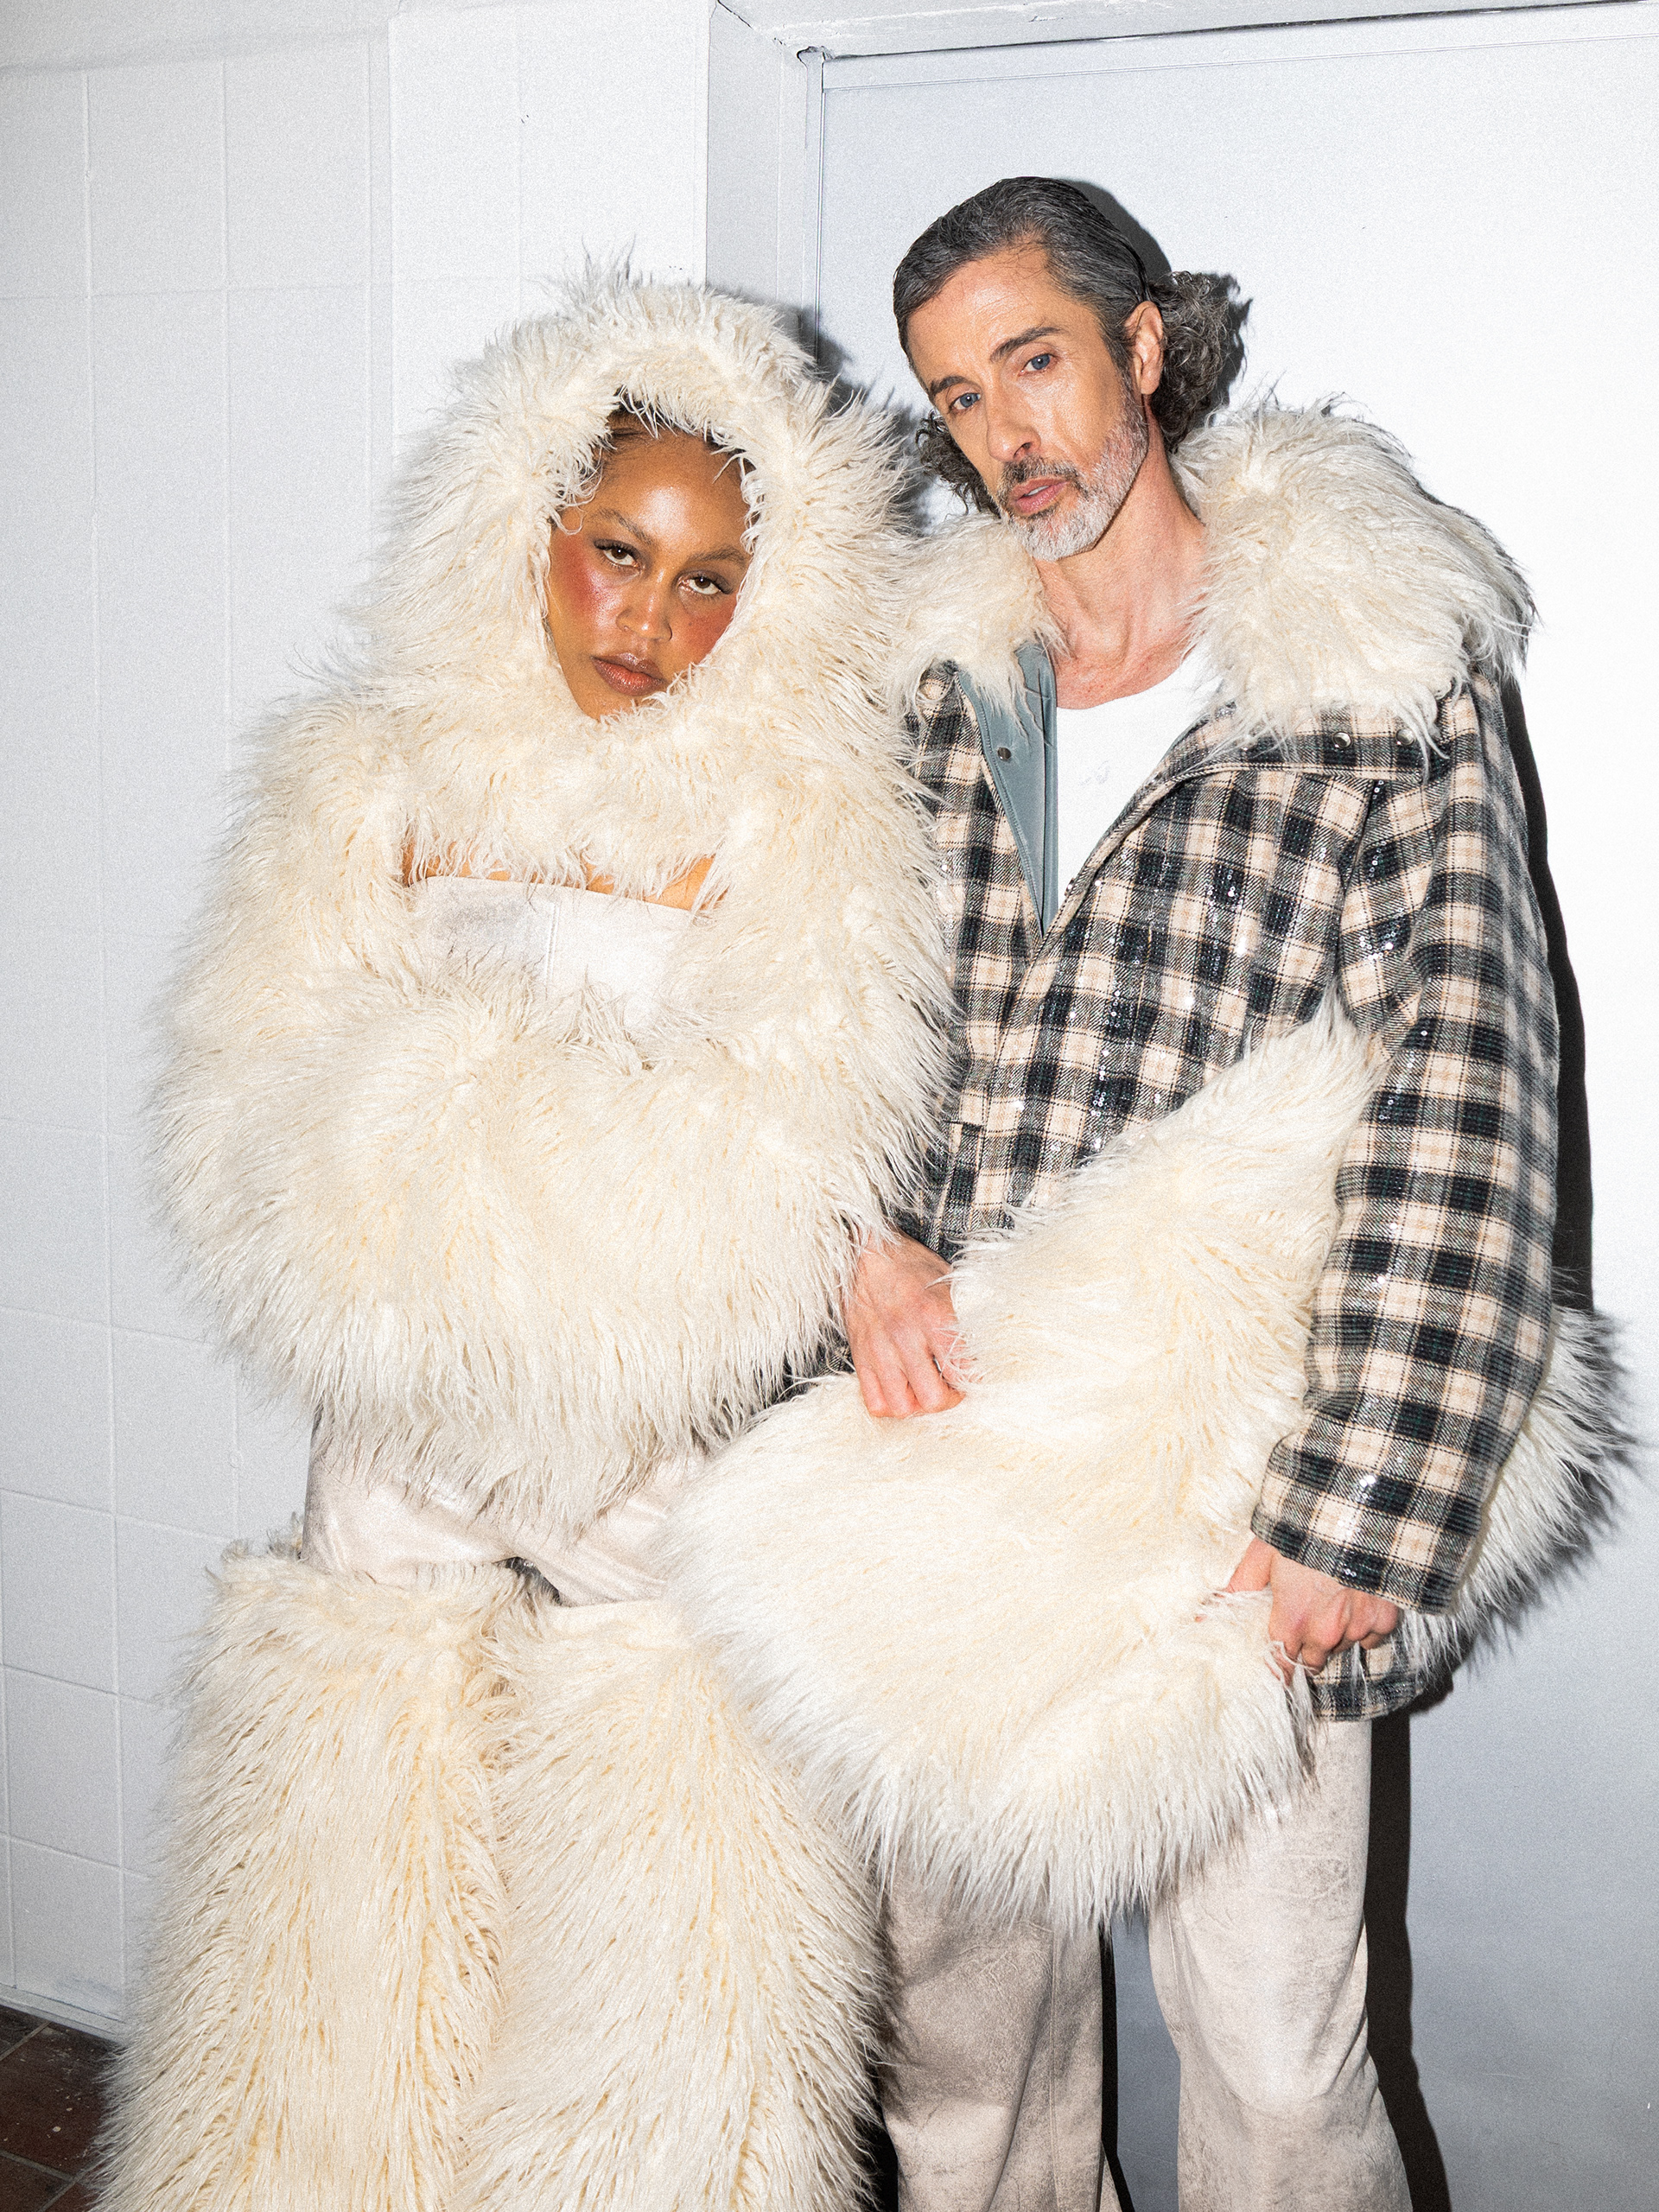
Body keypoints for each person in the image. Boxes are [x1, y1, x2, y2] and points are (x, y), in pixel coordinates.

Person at [103, 276, 944, 2212]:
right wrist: (417, 1235)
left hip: (644, 1406)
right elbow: (250, 1074)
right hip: (404, 1394)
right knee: (355, 1848)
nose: (649, 620)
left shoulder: (798, 812)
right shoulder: (369, 767)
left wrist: (560, 1236)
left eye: (712, 580)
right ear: (528, 521)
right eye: (617, 553)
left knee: (674, 1863)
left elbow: (796, 1124)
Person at [848, 175, 1560, 2210]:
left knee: (1274, 2062)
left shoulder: (1368, 662)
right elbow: (818, 1019)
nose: (1007, 433)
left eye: (1036, 361)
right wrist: (857, 1231)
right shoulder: (924, 689)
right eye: (958, 396)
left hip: (1243, 1472)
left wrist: (1363, 1502)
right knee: (965, 2061)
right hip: (949, 1465)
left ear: (1144, 344)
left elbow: (1465, 1085)